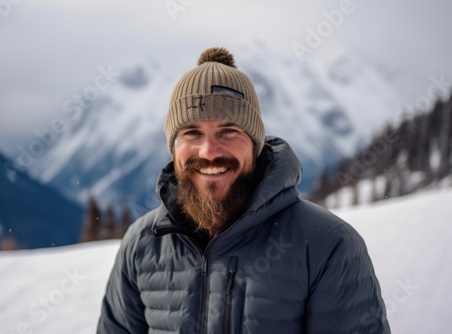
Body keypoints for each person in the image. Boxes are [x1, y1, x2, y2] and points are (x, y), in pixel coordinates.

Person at [97, 47, 390, 333]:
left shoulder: (328, 246)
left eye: (228, 131)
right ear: (174, 149)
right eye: (192, 133)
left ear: (255, 144)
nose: (209, 152)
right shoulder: (141, 246)